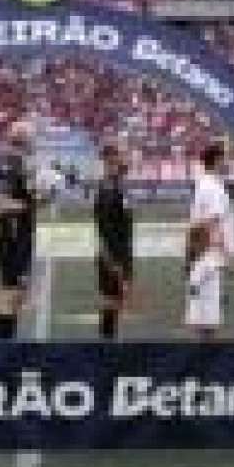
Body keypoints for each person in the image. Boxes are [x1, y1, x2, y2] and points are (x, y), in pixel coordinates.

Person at [0, 128, 41, 342]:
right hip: (12, 236)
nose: (33, 142)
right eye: (31, 138)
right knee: (9, 293)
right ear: (23, 140)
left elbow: (25, 201)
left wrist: (43, 197)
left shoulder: (22, 166)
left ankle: (8, 345)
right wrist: (29, 204)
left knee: (17, 293)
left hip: (21, 236)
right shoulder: (9, 165)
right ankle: (1, 350)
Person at [92, 142, 137, 341]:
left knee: (116, 300)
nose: (128, 158)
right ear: (113, 159)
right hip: (113, 254)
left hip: (119, 251)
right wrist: (114, 261)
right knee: (112, 300)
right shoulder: (109, 187)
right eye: (123, 154)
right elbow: (105, 228)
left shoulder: (117, 184)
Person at [181, 219, 225, 341]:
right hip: (205, 313)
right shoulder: (203, 262)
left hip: (206, 311)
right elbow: (194, 288)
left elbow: (220, 264)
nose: (212, 240)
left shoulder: (204, 259)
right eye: (209, 237)